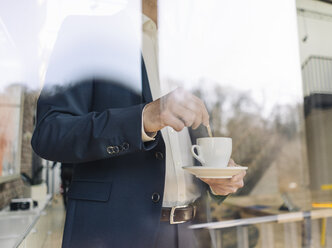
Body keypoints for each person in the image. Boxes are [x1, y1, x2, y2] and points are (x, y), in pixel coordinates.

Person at [31, 1, 245, 247]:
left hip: (190, 233)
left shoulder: (190, 50)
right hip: (113, 235)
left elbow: (190, 143)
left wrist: (217, 179)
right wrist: (143, 119)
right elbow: (49, 132)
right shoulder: (87, 33)